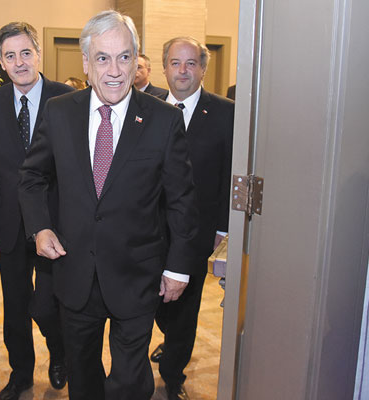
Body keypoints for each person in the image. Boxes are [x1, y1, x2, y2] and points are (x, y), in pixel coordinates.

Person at [18, 10, 199, 400]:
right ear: (85, 63)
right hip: (74, 269)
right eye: (102, 57)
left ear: (137, 61)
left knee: (130, 380)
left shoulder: (164, 120)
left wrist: (179, 267)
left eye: (124, 57)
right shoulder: (60, 112)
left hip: (137, 274)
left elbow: (181, 200)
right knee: (82, 371)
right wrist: (40, 227)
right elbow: (32, 177)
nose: (114, 70)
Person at [0, 21, 72, 400]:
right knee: (15, 305)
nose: (19, 62)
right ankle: (21, 374)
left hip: (55, 223)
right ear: (0, 62)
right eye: (10, 56)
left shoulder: (67, 100)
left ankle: (59, 355)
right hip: (11, 224)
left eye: (25, 53)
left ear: (38, 53)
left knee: (47, 304)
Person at [150, 36, 234, 400]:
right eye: (174, 62)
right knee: (153, 303)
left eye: (190, 63)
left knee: (186, 307)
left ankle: (173, 376)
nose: (182, 71)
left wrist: (223, 231)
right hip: (148, 233)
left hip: (197, 234)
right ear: (164, 67)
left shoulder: (226, 113)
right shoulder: (145, 108)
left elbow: (231, 175)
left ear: (202, 68)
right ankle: (168, 338)